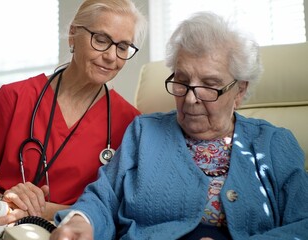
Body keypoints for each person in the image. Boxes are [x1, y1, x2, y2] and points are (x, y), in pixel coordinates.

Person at [50, 11, 308, 240]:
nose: (190, 98)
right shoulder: (144, 132)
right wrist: (83, 221)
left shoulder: (273, 144)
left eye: (209, 85)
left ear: (239, 91)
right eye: (182, 81)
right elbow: (103, 197)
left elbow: (303, 224)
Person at [0, 0, 147, 225]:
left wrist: (47, 212)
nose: (111, 56)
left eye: (123, 47)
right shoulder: (15, 96)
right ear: (72, 34)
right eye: (101, 40)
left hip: (69, 231)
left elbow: (119, 207)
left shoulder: (130, 123)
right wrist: (4, 206)